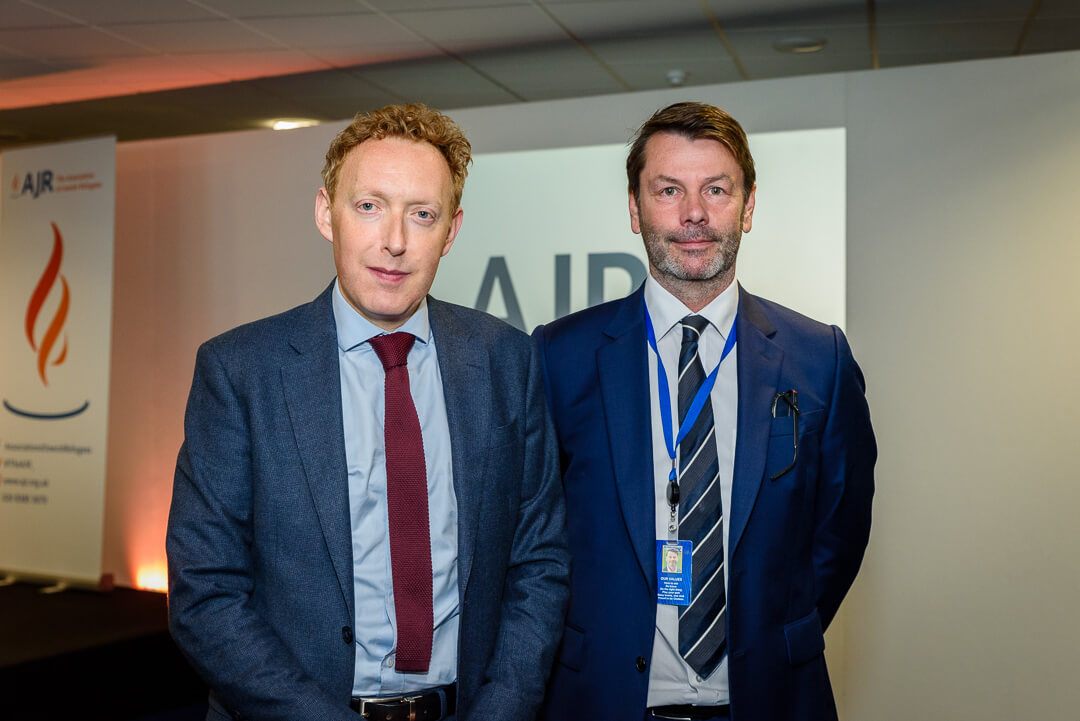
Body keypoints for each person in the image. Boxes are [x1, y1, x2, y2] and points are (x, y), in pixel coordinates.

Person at [167, 103, 569, 721]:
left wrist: (501, 710)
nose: (395, 241)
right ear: (325, 212)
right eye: (369, 206)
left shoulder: (505, 361)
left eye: (422, 214)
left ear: (451, 231)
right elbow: (205, 592)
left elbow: (539, 561)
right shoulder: (240, 371)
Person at [535, 101, 875, 721]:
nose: (694, 212)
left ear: (748, 206)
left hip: (772, 701)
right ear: (634, 209)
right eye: (669, 190)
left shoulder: (818, 357)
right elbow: (535, 541)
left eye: (716, 189)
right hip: (602, 702)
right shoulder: (560, 356)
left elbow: (840, 533)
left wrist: (772, 636)